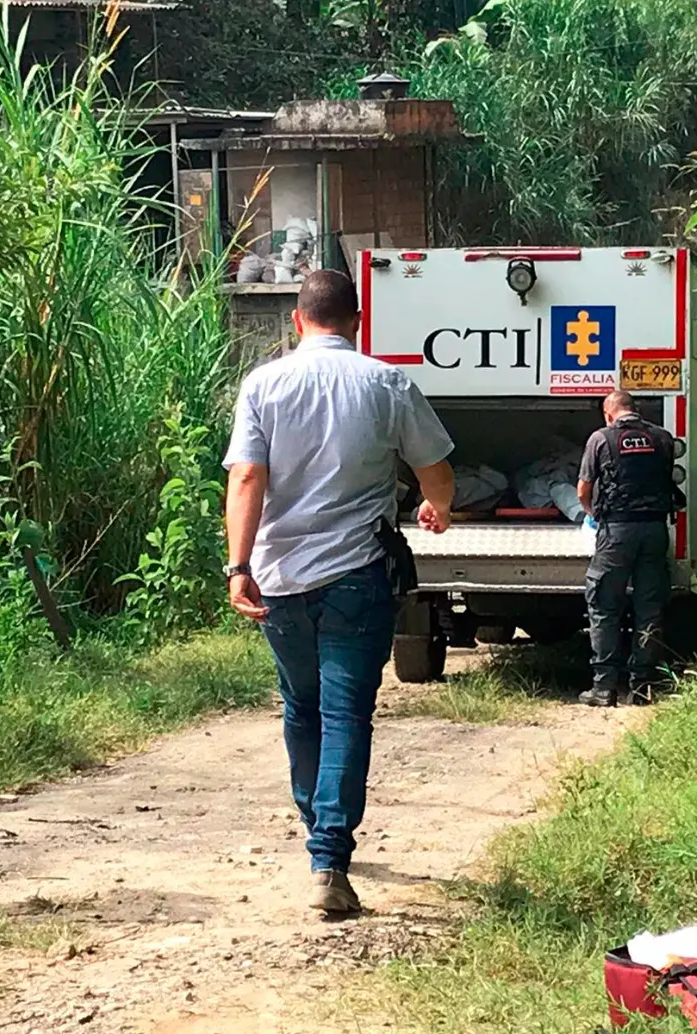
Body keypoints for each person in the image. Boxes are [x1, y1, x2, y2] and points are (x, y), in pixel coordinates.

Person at [223, 269, 455, 914]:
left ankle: (316, 829)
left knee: (302, 707)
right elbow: (435, 469)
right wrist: (438, 507)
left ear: (296, 321)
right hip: (357, 575)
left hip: (280, 579)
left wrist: (238, 566)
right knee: (347, 713)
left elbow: (246, 479)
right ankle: (328, 857)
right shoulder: (386, 383)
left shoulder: (263, 384)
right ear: (357, 322)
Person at [576, 390, 675, 707]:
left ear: (609, 414)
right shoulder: (662, 438)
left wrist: (593, 514)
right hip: (655, 530)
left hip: (617, 532)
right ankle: (643, 687)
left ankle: (604, 688)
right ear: (637, 409)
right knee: (649, 606)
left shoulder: (601, 439)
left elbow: (583, 490)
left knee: (604, 605)